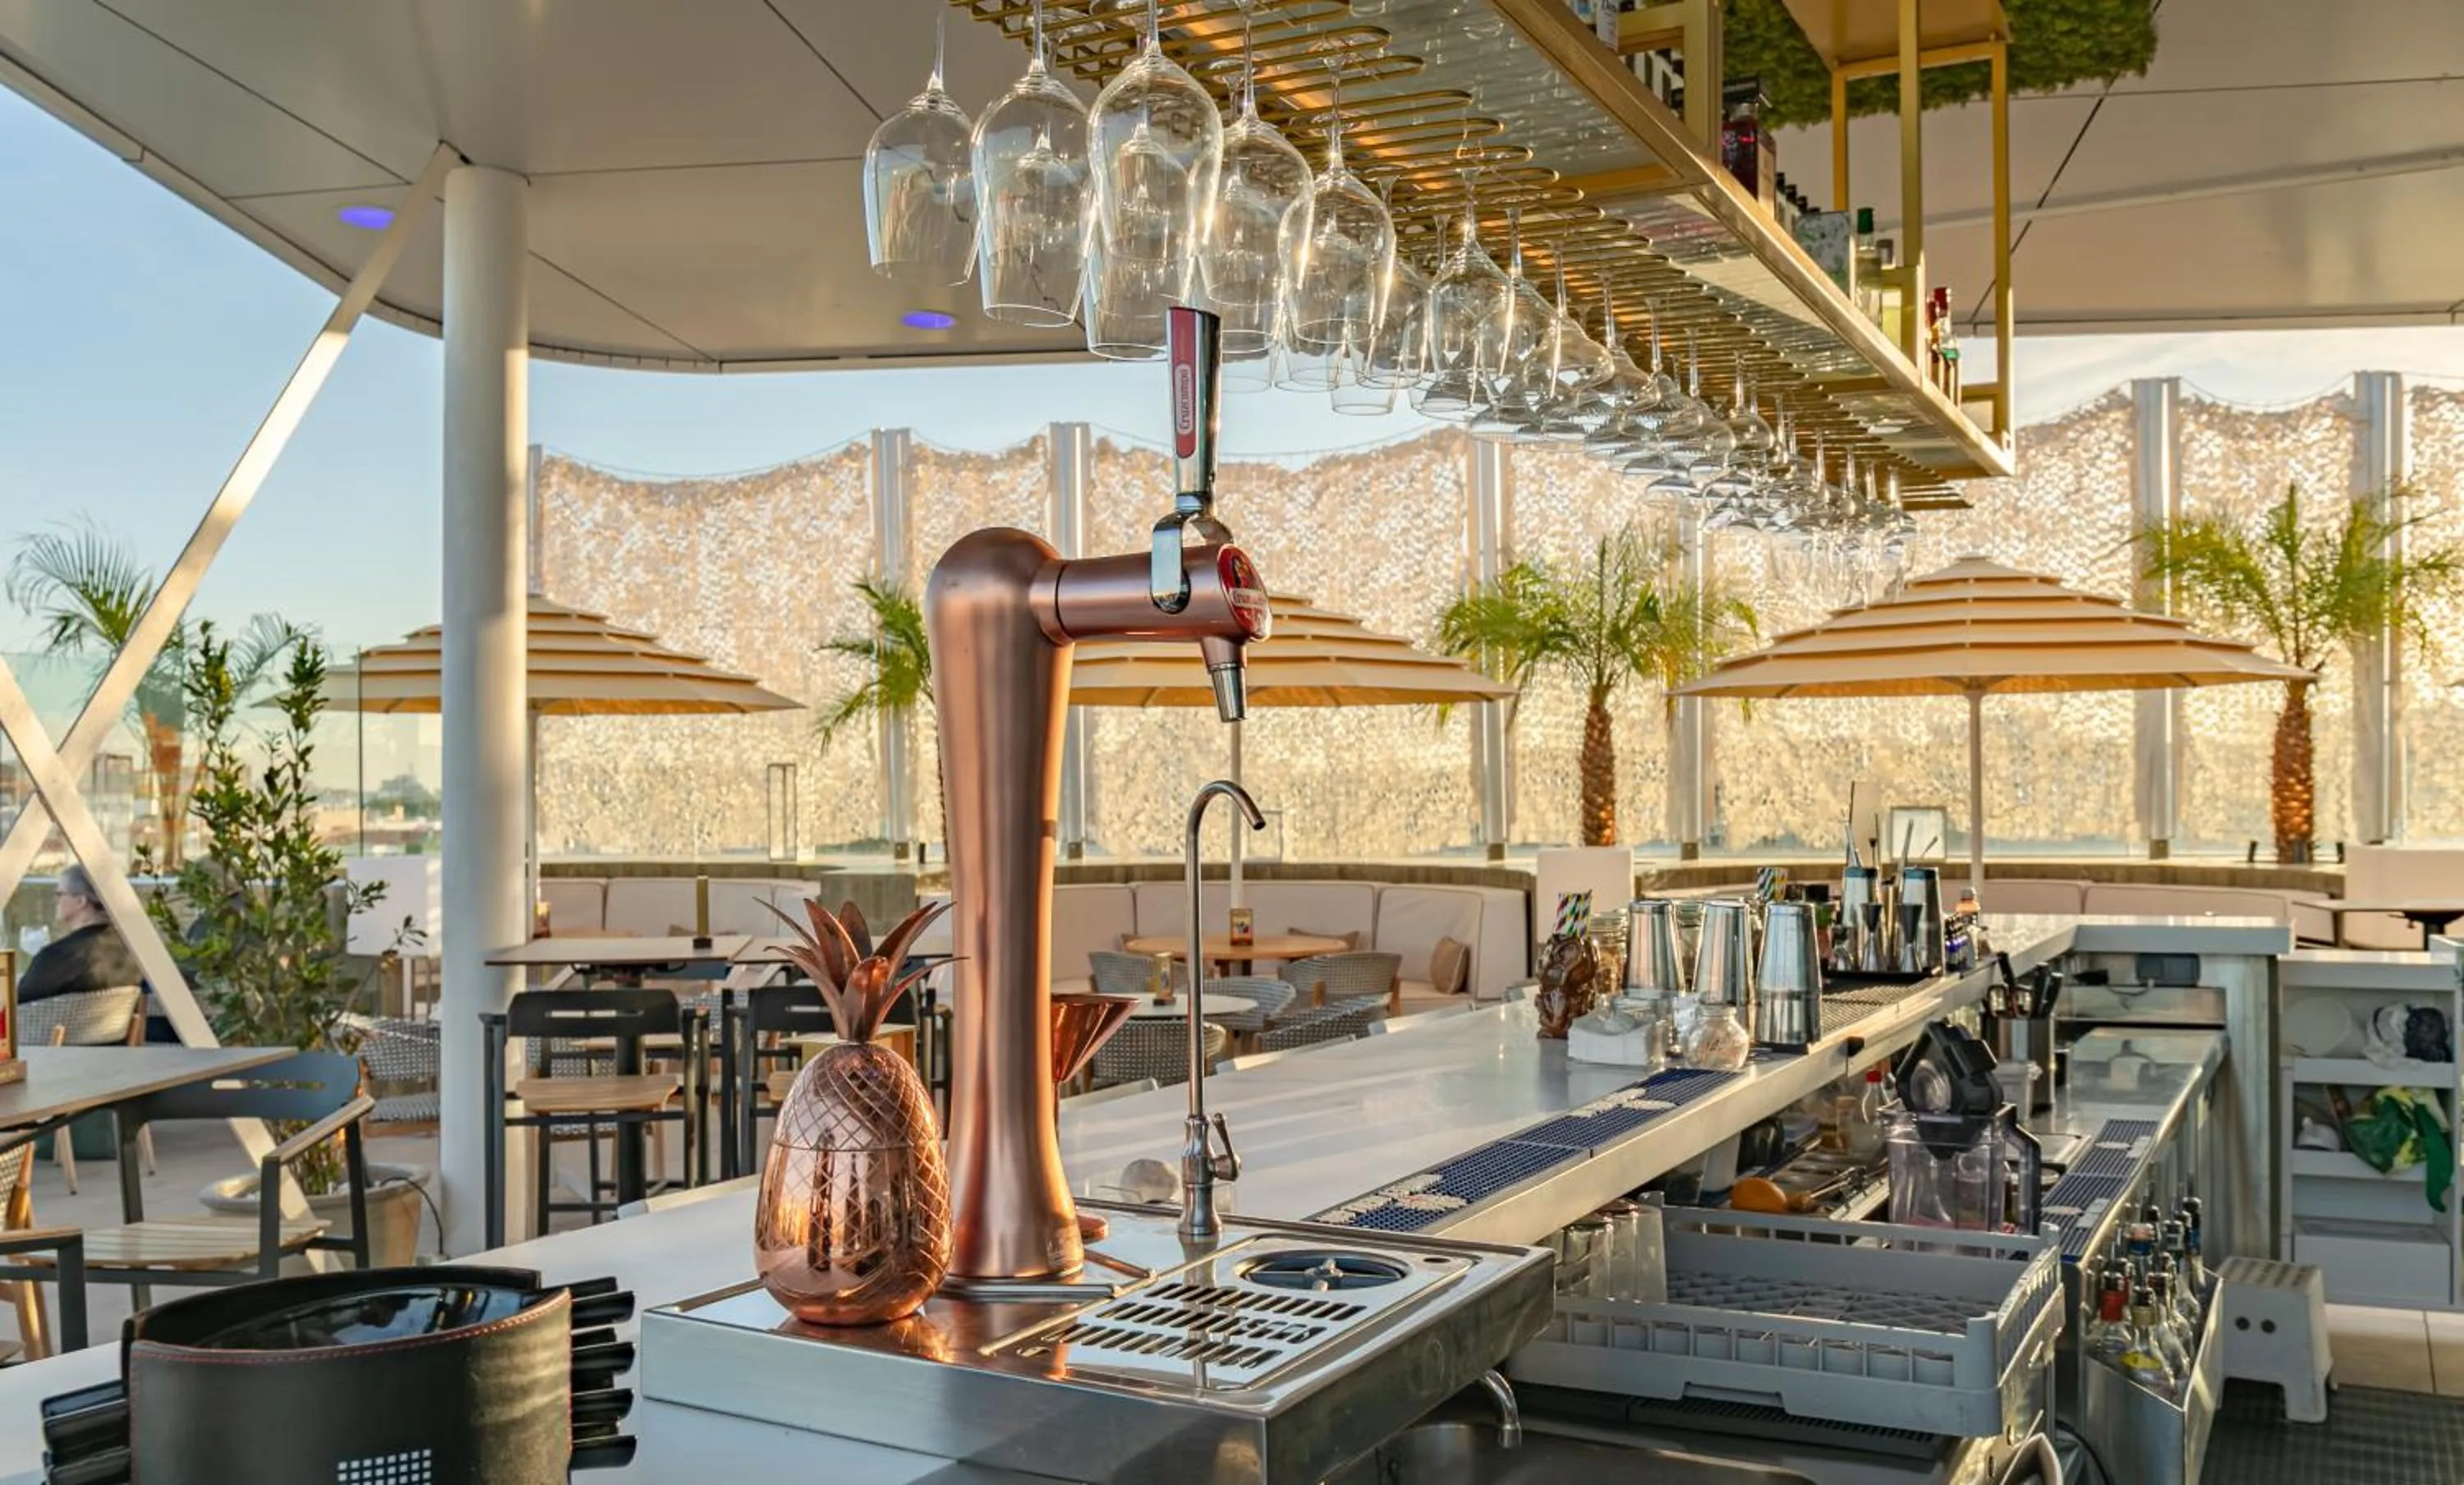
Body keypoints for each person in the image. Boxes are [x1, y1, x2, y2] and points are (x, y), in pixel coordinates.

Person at [18, 863, 145, 1005]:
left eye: (59, 894)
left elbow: (16, 1005)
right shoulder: (132, 950)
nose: (55, 901)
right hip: (117, 1019)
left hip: (58, 1020)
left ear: (81, 901)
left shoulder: (59, 957)